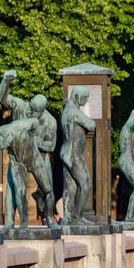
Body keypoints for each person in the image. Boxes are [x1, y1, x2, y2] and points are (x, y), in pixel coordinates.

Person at [0, 70, 57, 227]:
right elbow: (2, 97)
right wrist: (6, 81)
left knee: (48, 189)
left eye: (34, 111)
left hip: (39, 158)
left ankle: (49, 217)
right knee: (12, 186)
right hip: (18, 157)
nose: (30, 111)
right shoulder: (21, 106)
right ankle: (10, 221)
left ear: (42, 111)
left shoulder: (50, 122)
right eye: (30, 107)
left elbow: (51, 146)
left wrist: (37, 142)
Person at [0, 118, 57, 228]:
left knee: (48, 189)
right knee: (19, 191)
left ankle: (50, 218)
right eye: (2, 147)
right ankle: (24, 221)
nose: (5, 147)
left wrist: (34, 135)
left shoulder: (21, 125)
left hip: (33, 158)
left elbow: (35, 122)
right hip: (17, 161)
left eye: (5, 144)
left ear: (7, 136)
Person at [60, 86, 95, 225]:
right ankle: (77, 217)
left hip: (67, 153)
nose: (86, 101)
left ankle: (68, 218)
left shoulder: (66, 110)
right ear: (76, 96)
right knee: (86, 185)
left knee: (71, 187)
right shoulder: (74, 112)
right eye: (85, 98)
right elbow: (91, 125)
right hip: (74, 154)